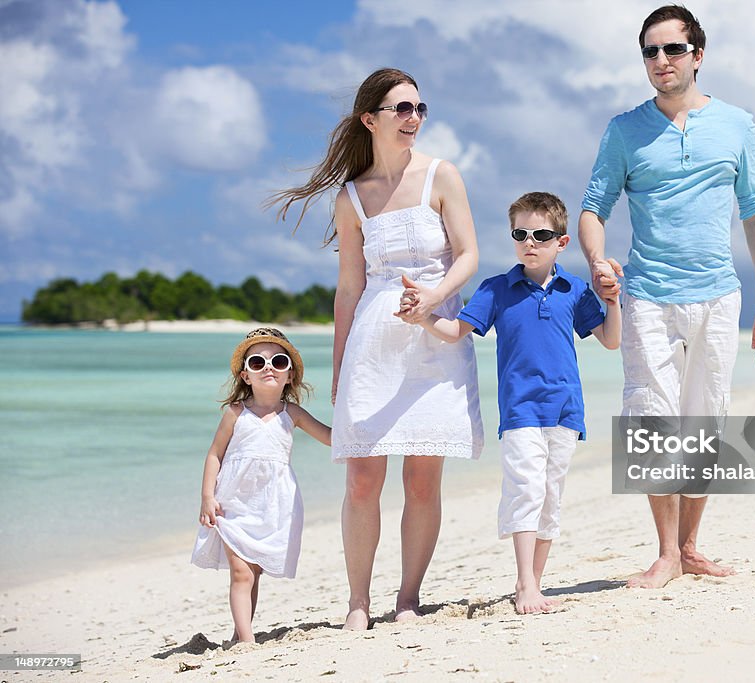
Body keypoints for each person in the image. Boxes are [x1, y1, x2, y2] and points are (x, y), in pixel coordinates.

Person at [267, 68, 484, 630]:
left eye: (419, 108)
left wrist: (434, 298)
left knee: (421, 480)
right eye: (401, 109)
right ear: (371, 119)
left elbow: (468, 256)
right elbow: (349, 287)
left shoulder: (443, 175)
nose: (413, 119)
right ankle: (358, 603)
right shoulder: (351, 197)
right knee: (362, 477)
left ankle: (408, 598)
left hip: (435, 339)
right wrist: (339, 367)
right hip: (373, 342)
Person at [579, 4, 755, 587]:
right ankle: (666, 552)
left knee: (704, 422)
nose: (660, 61)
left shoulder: (738, 124)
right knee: (652, 418)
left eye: (672, 49)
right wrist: (597, 260)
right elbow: (594, 207)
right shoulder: (624, 129)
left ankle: (691, 547)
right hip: (648, 295)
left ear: (698, 54)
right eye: (650, 51)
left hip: (719, 295)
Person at [402, 192, 621, 613]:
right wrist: (423, 315)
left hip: (566, 412)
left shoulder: (574, 290)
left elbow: (611, 341)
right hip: (520, 411)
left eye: (540, 234)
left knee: (550, 497)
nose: (529, 242)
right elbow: (453, 331)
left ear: (561, 242)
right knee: (526, 490)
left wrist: (613, 299)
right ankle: (524, 585)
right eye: (520, 233)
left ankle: (534, 584)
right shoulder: (497, 289)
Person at [191, 327, 332, 644]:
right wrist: (206, 496)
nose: (268, 367)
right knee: (240, 572)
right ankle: (246, 640)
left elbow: (331, 438)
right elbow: (214, 454)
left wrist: (360, 421)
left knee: (252, 572)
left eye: (278, 361)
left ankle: (239, 635)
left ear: (289, 374)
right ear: (245, 375)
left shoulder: (291, 414)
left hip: (273, 506)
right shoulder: (235, 413)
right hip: (233, 504)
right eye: (258, 363)